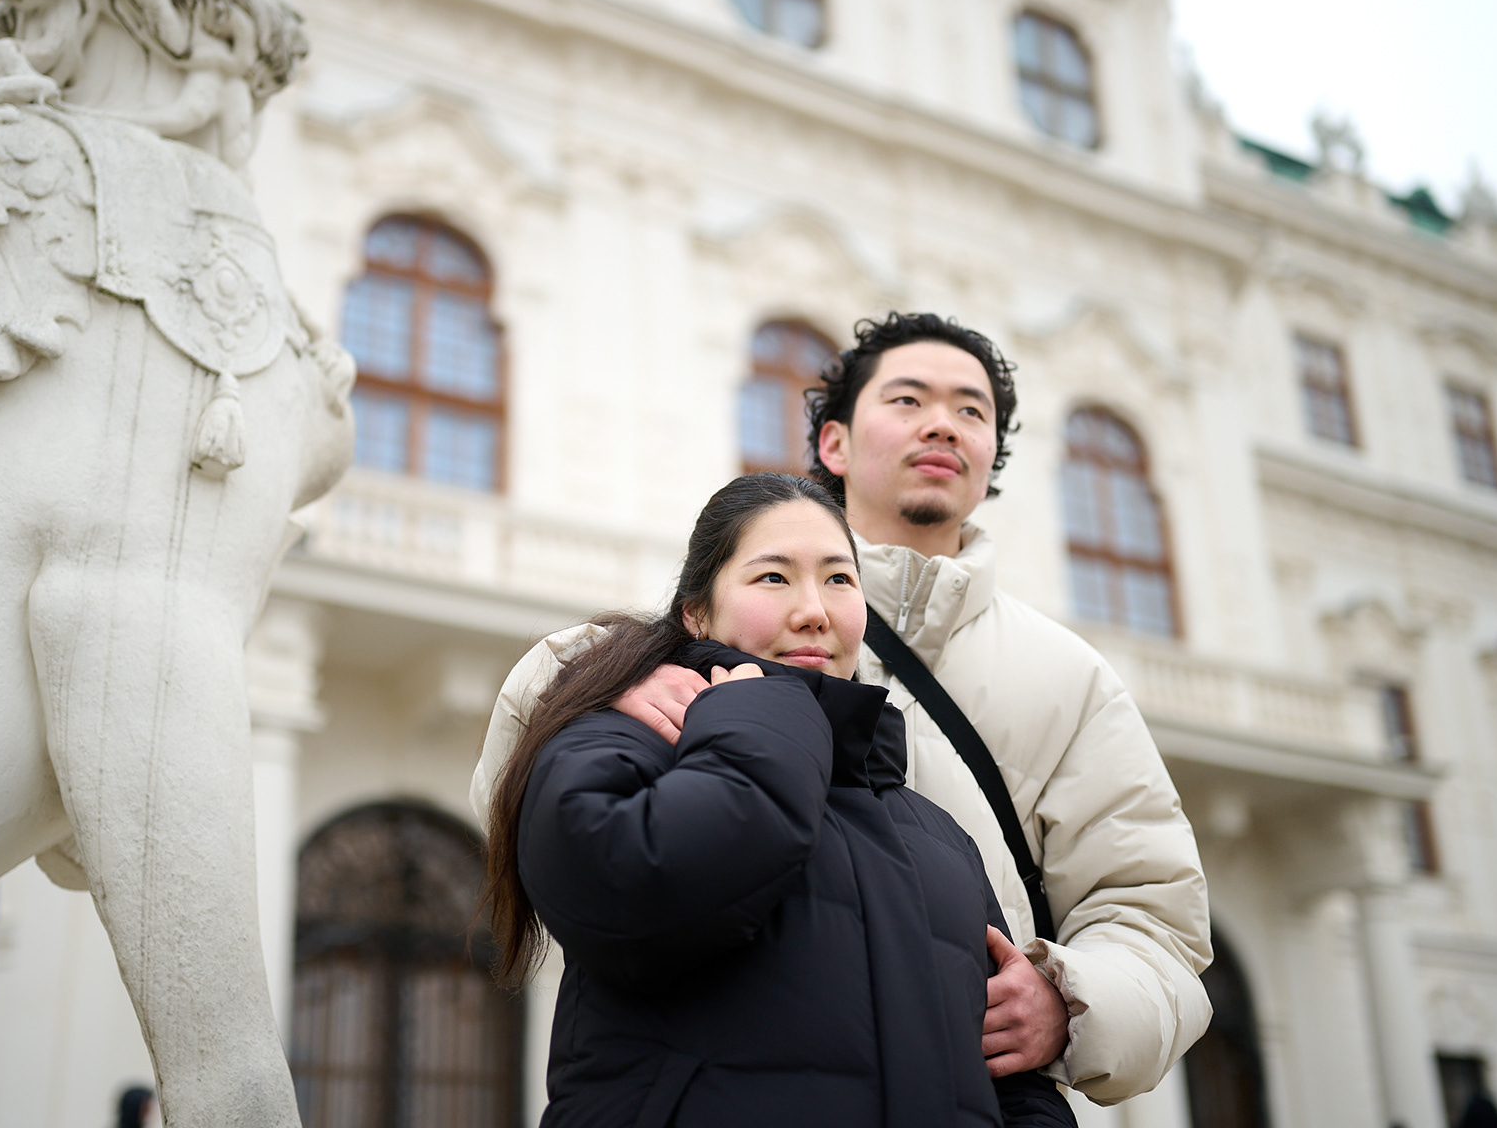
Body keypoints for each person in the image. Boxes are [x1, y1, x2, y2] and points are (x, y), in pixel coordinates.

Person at [473, 313, 1212, 1107]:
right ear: (834, 444)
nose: (942, 423)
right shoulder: (684, 647)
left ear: (993, 453)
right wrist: (611, 687)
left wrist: (1072, 1002)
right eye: (907, 400)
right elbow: (538, 802)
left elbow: (1155, 915)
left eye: (972, 411)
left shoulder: (1074, 678)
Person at [482, 472, 1074, 1126]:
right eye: (773, 577)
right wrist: (768, 708)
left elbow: (1014, 1086)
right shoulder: (621, 739)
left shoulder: (940, 835)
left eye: (839, 579)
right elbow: (628, 890)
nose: (814, 610)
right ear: (696, 613)